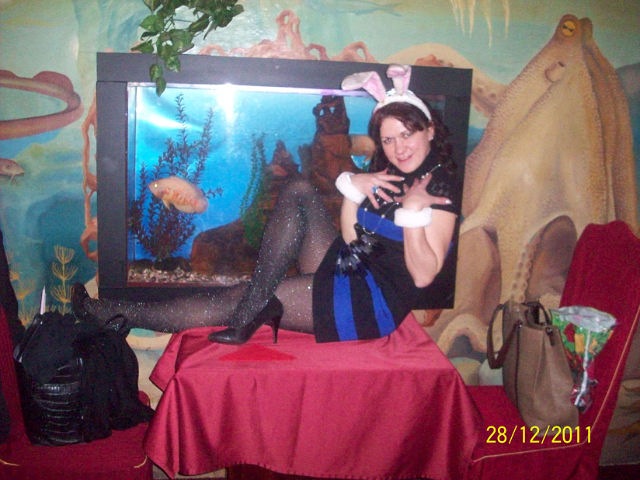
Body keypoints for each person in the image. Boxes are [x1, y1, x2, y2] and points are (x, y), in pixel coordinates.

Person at [72, 64, 461, 344]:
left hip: (368, 302)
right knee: (298, 188)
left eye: (407, 134)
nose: (398, 147)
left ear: (429, 130)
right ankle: (257, 300)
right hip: (349, 266)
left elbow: (423, 276)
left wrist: (413, 212)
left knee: (234, 299)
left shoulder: (439, 186)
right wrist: (353, 189)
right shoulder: (390, 171)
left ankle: (112, 313)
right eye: (389, 139)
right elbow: (351, 239)